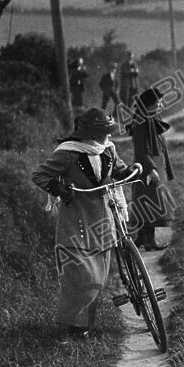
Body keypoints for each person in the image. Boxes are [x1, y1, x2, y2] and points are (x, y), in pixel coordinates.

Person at [31, 108, 131, 341]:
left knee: (98, 275)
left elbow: (118, 169)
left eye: (109, 131)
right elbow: (40, 175)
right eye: (104, 132)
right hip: (77, 220)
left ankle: (85, 325)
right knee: (81, 275)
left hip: (103, 220)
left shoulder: (108, 149)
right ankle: (74, 325)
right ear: (91, 133)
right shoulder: (68, 153)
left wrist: (131, 171)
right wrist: (59, 189)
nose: (108, 136)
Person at [127, 88, 175, 251]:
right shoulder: (140, 122)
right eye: (158, 101)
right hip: (147, 166)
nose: (160, 104)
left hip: (155, 164)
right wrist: (151, 169)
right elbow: (140, 151)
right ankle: (149, 240)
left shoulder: (151, 117)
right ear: (149, 104)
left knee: (148, 202)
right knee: (150, 203)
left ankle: (141, 238)